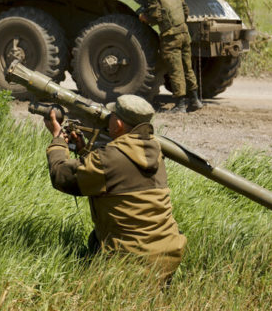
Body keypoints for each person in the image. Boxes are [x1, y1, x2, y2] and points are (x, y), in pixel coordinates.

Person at [44, 94, 186, 281]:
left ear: (118, 124)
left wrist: (58, 141)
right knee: (95, 241)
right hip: (168, 252)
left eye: (110, 115)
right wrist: (84, 151)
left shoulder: (107, 159)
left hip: (132, 260)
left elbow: (61, 177)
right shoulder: (154, 150)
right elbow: (118, 175)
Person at [138, 0, 203, 113]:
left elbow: (155, 17)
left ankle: (180, 104)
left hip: (170, 36)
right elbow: (185, 10)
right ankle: (195, 100)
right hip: (184, 33)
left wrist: (144, 18)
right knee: (187, 67)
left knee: (175, 69)